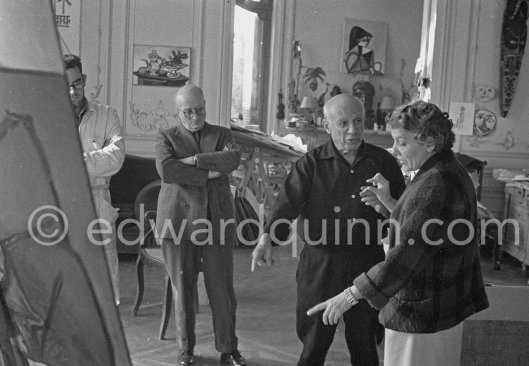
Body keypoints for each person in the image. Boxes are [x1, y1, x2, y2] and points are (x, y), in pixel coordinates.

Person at [307, 101, 489, 366]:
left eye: (402, 143)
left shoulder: (436, 182)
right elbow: (428, 230)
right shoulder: (444, 169)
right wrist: (391, 204)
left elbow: (406, 254)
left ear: (429, 142)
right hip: (439, 306)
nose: (394, 151)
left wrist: (348, 296)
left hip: (424, 312)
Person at [252, 94, 406, 366]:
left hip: (367, 262)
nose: (353, 130)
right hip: (320, 265)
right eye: (343, 123)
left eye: (358, 121)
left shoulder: (384, 163)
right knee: (313, 346)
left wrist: (385, 208)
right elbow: (286, 205)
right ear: (326, 125)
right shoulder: (310, 164)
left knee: (365, 346)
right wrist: (267, 238)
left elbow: (404, 215)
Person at [155, 85, 246, 366]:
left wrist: (194, 162)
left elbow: (232, 159)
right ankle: (186, 349)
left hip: (217, 219)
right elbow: (167, 170)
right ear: (178, 112)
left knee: (222, 288)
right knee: (183, 287)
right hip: (177, 221)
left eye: (200, 109)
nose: (195, 116)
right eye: (188, 111)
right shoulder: (166, 136)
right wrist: (211, 172)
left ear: (205, 105)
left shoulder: (223, 134)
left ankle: (228, 349)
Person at [63, 54, 125, 305]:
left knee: (104, 277)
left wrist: (73, 162)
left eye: (77, 83)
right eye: (66, 84)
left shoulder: (107, 115)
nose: (72, 90)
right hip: (61, 201)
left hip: (98, 200)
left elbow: (117, 158)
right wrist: (93, 161)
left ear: (85, 79)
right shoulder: (50, 117)